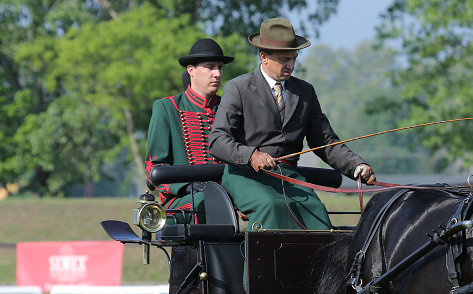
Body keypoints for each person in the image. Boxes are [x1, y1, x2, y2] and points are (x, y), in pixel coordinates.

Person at [208, 17, 376, 231]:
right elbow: (217, 141)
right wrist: (252, 156)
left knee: (317, 212)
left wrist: (356, 166)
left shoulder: (305, 92)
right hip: (245, 176)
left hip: (289, 177)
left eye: (294, 58)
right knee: (270, 206)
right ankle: (262, 265)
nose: (292, 65)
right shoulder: (238, 88)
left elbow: (325, 141)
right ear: (263, 57)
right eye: (284, 59)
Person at [145, 38, 234, 223]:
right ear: (191, 70)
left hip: (228, 192)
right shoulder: (167, 108)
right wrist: (185, 186)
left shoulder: (230, 109)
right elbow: (154, 166)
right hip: (182, 199)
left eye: (220, 68)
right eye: (210, 67)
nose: (217, 74)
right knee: (206, 202)